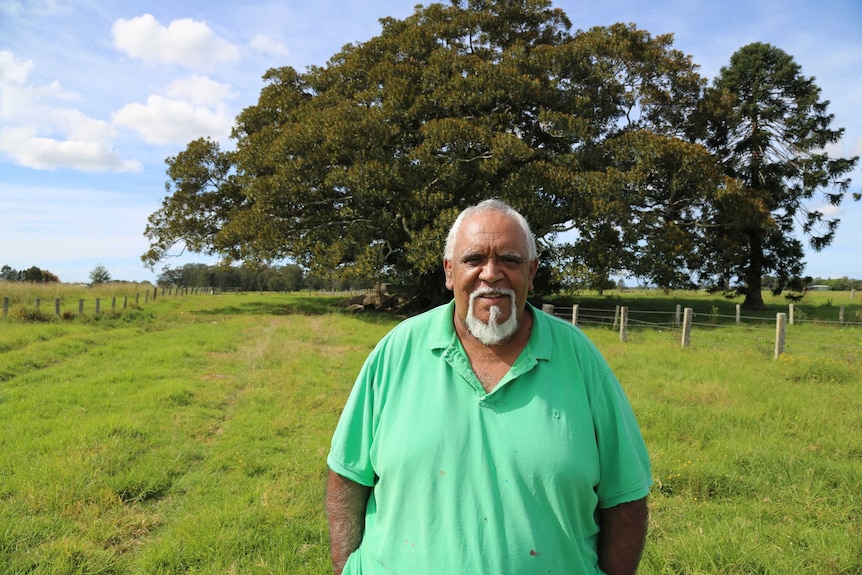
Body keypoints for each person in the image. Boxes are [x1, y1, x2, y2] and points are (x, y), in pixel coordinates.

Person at [325, 199, 652, 575]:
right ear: (449, 271)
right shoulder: (397, 351)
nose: (491, 273)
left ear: (532, 272)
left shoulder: (580, 360)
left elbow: (626, 499)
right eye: (474, 258)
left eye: (510, 260)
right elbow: (347, 478)